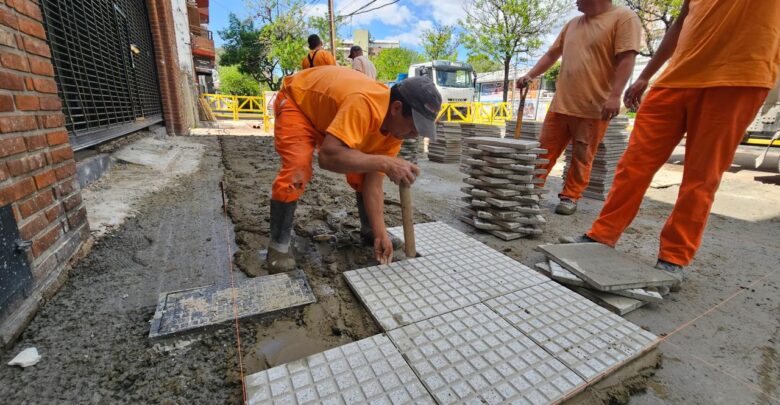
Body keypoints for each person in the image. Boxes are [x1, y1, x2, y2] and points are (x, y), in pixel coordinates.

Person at [568, 0, 780, 291]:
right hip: (674, 80)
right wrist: (646, 75)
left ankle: (674, 256)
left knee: (701, 177)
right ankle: (602, 234)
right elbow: (680, 23)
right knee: (634, 165)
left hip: (738, 77)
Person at [266, 66, 442, 273]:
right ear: (396, 108)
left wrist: (380, 233)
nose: (415, 135)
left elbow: (373, 182)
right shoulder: (364, 104)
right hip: (299, 103)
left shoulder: (394, 133)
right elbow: (328, 157)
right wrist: (385, 163)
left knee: (363, 169)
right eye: (414, 127)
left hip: (330, 115)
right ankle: (278, 246)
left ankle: (370, 231)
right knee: (297, 169)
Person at [516, 0, 641, 215]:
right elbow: (551, 55)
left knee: (582, 156)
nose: (575, 1)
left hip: (594, 106)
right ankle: (531, 191)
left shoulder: (623, 18)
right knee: (543, 151)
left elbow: (627, 58)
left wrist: (615, 95)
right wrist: (531, 74)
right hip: (562, 103)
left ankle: (570, 197)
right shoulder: (572, 24)